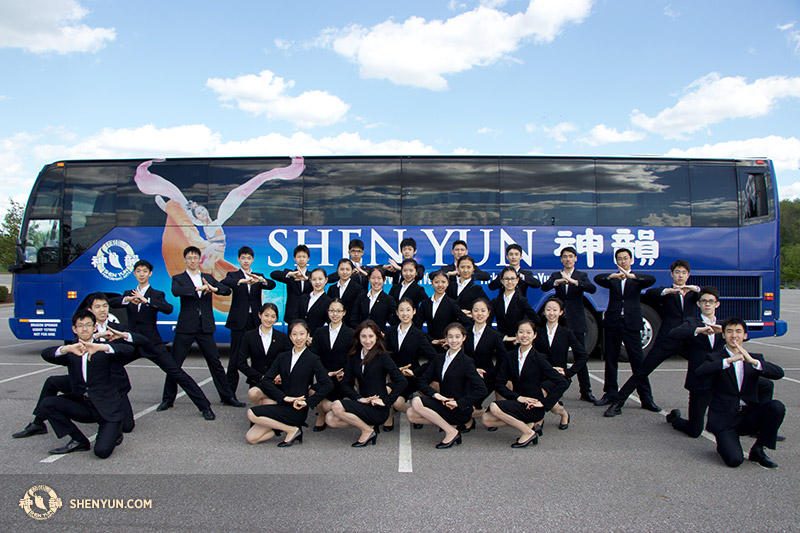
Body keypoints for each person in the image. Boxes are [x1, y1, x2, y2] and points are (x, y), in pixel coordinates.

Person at [134, 156, 304, 314]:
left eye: (202, 209)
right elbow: (185, 212)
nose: (202, 211)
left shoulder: (215, 221)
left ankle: (169, 208)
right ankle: (168, 208)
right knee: (190, 234)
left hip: (212, 254)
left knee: (193, 236)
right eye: (199, 212)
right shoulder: (201, 226)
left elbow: (237, 195)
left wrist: (267, 175)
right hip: (208, 253)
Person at [109, 260, 215, 420]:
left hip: (152, 343)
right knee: (108, 365)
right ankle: (105, 402)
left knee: (177, 373)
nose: (141, 274)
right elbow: (110, 303)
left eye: (145, 271)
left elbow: (168, 308)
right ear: (134, 274)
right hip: (131, 343)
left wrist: (147, 301)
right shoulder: (128, 293)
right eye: (138, 271)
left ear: (150, 274)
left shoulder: (156, 294)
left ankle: (205, 407)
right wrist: (128, 300)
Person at [604, 259, 699, 417]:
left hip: (688, 341)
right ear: (672, 274)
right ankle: (618, 403)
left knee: (706, 366)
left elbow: (709, 295)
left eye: (683, 273)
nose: (680, 276)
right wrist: (671, 291)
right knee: (641, 371)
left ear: (688, 275)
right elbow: (650, 292)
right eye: (677, 272)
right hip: (667, 341)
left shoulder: (694, 295)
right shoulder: (666, 293)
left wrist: (694, 288)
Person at [37, 309, 134, 458]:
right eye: (80, 325)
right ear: (74, 329)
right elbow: (46, 354)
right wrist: (67, 348)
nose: (84, 328)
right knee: (47, 404)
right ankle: (79, 441)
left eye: (88, 325)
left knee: (101, 452)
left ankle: (115, 431)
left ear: (95, 328)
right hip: (84, 405)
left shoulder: (103, 350)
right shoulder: (72, 351)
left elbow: (129, 350)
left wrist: (102, 347)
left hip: (107, 408)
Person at [695, 318, 785, 468]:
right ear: (723, 335)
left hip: (747, 417)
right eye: (729, 331)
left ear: (745, 335)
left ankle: (758, 449)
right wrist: (728, 361)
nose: (734, 335)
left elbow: (779, 373)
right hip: (724, 420)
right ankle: (724, 443)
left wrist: (754, 362)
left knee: (777, 407)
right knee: (734, 461)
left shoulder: (754, 358)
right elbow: (700, 372)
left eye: (738, 331)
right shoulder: (714, 358)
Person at [162, 246, 243, 409]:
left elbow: (226, 290)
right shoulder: (179, 278)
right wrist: (197, 289)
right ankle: (168, 399)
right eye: (189, 258)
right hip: (186, 327)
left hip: (205, 327)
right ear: (185, 260)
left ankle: (227, 396)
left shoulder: (208, 277)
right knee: (174, 364)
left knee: (216, 363)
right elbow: (176, 291)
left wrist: (214, 288)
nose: (192, 260)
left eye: (195, 257)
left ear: (200, 260)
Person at [245, 320, 333, 447]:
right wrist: (283, 397)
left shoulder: (313, 359)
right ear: (290, 336)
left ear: (308, 335)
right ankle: (290, 429)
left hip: (298, 409)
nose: (299, 338)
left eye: (302, 334)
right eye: (295, 334)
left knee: (251, 413)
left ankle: (292, 430)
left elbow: (327, 384)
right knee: (251, 438)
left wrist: (308, 402)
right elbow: (266, 380)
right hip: (283, 404)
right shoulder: (283, 356)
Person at [482, 320, 569, 447]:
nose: (524, 335)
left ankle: (528, 432)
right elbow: (499, 383)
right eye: (521, 332)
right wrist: (518, 398)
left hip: (534, 405)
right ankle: (529, 425)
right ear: (516, 335)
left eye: (528, 332)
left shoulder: (539, 358)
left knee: (495, 406)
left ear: (534, 335)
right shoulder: (510, 357)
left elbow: (562, 382)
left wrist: (544, 404)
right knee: (486, 420)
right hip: (518, 401)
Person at [326, 320, 408, 447]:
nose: (367, 340)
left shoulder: (383, 356)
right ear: (358, 337)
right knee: (330, 419)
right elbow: (345, 385)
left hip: (378, 408)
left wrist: (386, 401)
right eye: (363, 336)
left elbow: (401, 381)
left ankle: (367, 431)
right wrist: (359, 399)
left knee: (337, 405)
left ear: (377, 337)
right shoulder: (353, 357)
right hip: (363, 403)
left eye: (371, 336)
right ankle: (368, 426)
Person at [407, 323, 488, 449]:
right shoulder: (439, 359)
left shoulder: (467, 362)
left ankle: (451, 432)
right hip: (443, 403)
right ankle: (450, 427)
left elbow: (482, 390)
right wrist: (436, 395)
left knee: (417, 401)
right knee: (411, 414)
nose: (454, 340)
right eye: (450, 337)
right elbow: (422, 381)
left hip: (458, 408)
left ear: (463, 338)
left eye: (457, 337)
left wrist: (459, 403)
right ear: (445, 338)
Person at [593, 248, 656, 408]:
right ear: (616, 261)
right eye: (620, 259)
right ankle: (610, 394)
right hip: (614, 323)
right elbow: (598, 279)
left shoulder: (637, 279)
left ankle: (646, 398)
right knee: (611, 359)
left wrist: (631, 276)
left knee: (638, 362)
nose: (623, 261)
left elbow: (651, 280)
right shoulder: (613, 279)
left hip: (631, 324)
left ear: (631, 260)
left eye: (626, 258)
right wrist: (613, 276)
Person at [540, 246, 598, 403]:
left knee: (580, 356)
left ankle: (586, 391)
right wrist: (555, 282)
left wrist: (575, 282)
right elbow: (544, 287)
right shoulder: (556, 275)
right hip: (560, 323)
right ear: (561, 259)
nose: (568, 259)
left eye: (571, 256)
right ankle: (555, 390)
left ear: (575, 259)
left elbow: (592, 289)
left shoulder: (581, 275)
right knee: (557, 357)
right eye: (565, 256)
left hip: (577, 321)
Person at [664, 286, 723, 438]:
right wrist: (699, 330)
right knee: (695, 430)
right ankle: (675, 418)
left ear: (717, 304)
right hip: (699, 381)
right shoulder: (692, 322)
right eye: (704, 301)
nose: (707, 304)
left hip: (720, 380)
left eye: (711, 301)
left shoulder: (724, 326)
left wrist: (723, 330)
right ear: (698, 304)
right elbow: (674, 333)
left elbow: (743, 334)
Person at [222, 246, 276, 400]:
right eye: (243, 258)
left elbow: (271, 285)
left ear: (252, 260)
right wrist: (242, 281)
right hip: (238, 322)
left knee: (257, 356)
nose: (246, 261)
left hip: (255, 322)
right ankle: (229, 394)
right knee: (236, 357)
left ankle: (256, 387)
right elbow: (225, 282)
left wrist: (261, 280)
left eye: (249, 258)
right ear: (239, 260)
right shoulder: (233, 275)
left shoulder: (257, 276)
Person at [384, 298, 438, 430]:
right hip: (396, 375)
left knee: (397, 403)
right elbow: (384, 355)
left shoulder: (419, 335)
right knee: (388, 393)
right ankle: (388, 418)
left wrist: (416, 372)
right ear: (397, 313)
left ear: (414, 312)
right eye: (401, 310)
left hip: (412, 376)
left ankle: (418, 413)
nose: (405, 313)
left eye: (408, 310)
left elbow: (434, 358)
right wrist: (393, 370)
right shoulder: (390, 332)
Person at [534, 297, 585, 431]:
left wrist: (569, 372)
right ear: (544, 312)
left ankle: (539, 419)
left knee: (541, 392)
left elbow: (582, 356)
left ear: (561, 312)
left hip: (559, 377)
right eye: (548, 310)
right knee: (552, 403)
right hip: (541, 373)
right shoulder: (537, 332)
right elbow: (533, 354)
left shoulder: (566, 333)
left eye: (555, 310)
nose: (551, 313)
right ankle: (563, 413)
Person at [309, 299, 355, 431]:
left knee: (331, 402)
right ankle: (321, 417)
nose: (335, 314)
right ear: (328, 312)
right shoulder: (319, 332)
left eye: (338, 311)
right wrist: (325, 373)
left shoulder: (350, 333)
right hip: (325, 375)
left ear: (344, 313)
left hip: (342, 377)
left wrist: (345, 372)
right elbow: (314, 356)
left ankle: (343, 410)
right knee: (313, 391)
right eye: (332, 311)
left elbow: (353, 357)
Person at [464, 298, 506, 427]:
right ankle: (470, 420)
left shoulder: (494, 335)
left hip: (486, 377)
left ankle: (488, 413)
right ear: (471, 313)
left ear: (488, 313)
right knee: (462, 404)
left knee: (468, 407)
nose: (479, 314)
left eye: (483, 310)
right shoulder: (464, 332)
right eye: (476, 310)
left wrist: (489, 374)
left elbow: (502, 359)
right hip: (467, 375)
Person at [239, 303, 292, 401]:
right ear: (260, 315)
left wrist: (281, 375)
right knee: (254, 395)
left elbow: (290, 358)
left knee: (269, 405)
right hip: (258, 381)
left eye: (273, 316)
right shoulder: (249, 336)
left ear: (276, 319)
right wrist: (260, 377)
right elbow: (241, 363)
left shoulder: (282, 337)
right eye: (266, 315)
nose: (269, 319)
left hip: (277, 382)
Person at [417, 270, 472, 351]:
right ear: (432, 284)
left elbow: (468, 324)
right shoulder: (425, 303)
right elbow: (417, 326)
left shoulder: (452, 303)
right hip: (431, 347)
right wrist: (431, 340)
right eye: (436, 282)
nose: (440, 285)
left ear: (447, 283)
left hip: (448, 347)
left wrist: (453, 339)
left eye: (443, 282)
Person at [491, 266, 538, 344]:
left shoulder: (521, 300)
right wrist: (503, 337)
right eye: (506, 279)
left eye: (512, 279)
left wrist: (523, 336)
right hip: (501, 343)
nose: (509, 282)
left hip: (518, 343)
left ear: (517, 280)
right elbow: (487, 324)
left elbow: (536, 320)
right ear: (502, 281)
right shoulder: (496, 301)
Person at [270, 245, 313, 324]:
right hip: (292, 314)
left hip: (308, 313)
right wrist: (290, 274)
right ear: (294, 258)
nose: (301, 259)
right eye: (299, 256)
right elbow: (273, 274)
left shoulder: (312, 275)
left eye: (304, 256)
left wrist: (308, 279)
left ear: (308, 258)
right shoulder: (289, 274)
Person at [326, 258, 364, 328]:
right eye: (342, 269)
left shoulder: (358, 288)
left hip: (351, 327)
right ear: (337, 270)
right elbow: (328, 308)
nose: (344, 272)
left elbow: (358, 310)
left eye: (347, 269)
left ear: (352, 271)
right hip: (333, 326)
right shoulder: (332, 288)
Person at [298, 268, 332, 336]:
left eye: (320, 279)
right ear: (310, 280)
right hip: (300, 339)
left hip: (316, 340)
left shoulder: (329, 302)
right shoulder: (303, 298)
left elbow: (330, 325)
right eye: (314, 279)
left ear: (326, 280)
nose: (317, 282)